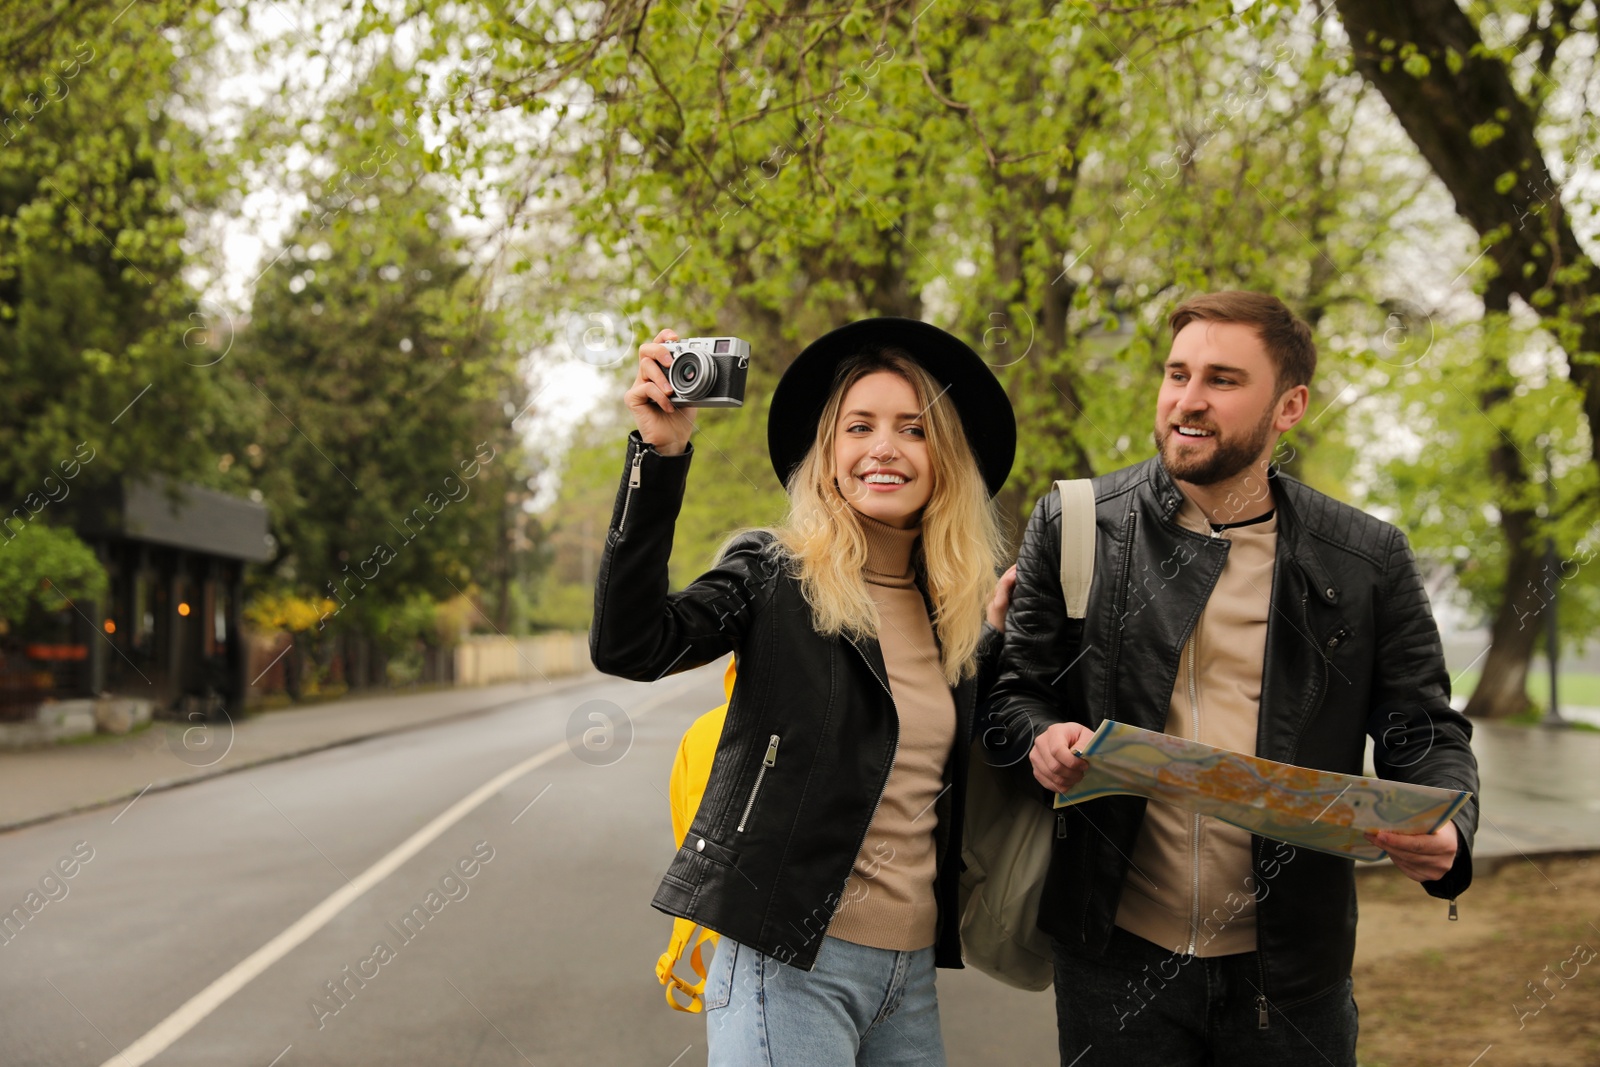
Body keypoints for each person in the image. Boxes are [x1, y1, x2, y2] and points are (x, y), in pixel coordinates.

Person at [985, 291, 1480, 1066]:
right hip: (1114, 960)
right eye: (1177, 372)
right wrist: (1041, 736)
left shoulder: (1366, 558)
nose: (1188, 399)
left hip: (1291, 977)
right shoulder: (1075, 522)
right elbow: (1015, 691)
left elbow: (1422, 726)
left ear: (1290, 405)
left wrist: (1453, 826)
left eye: (1221, 379)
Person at [590, 318, 1018, 1066]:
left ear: (943, 459)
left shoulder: (955, 618)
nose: (884, 446)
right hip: (787, 965)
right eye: (860, 426)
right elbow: (631, 645)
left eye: (913, 429)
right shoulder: (774, 574)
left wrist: (1023, 647)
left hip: (910, 975)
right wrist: (658, 457)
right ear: (829, 455)